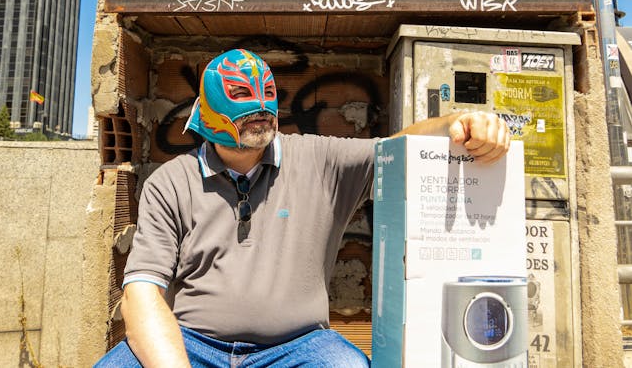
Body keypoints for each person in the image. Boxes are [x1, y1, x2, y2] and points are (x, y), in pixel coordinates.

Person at [95, 49, 510, 368]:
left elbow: (398, 149)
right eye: (241, 95)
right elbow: (142, 292)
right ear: (208, 108)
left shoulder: (320, 160)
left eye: (268, 96)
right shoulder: (170, 182)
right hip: (193, 342)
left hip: (298, 347)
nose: (260, 108)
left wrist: (462, 122)